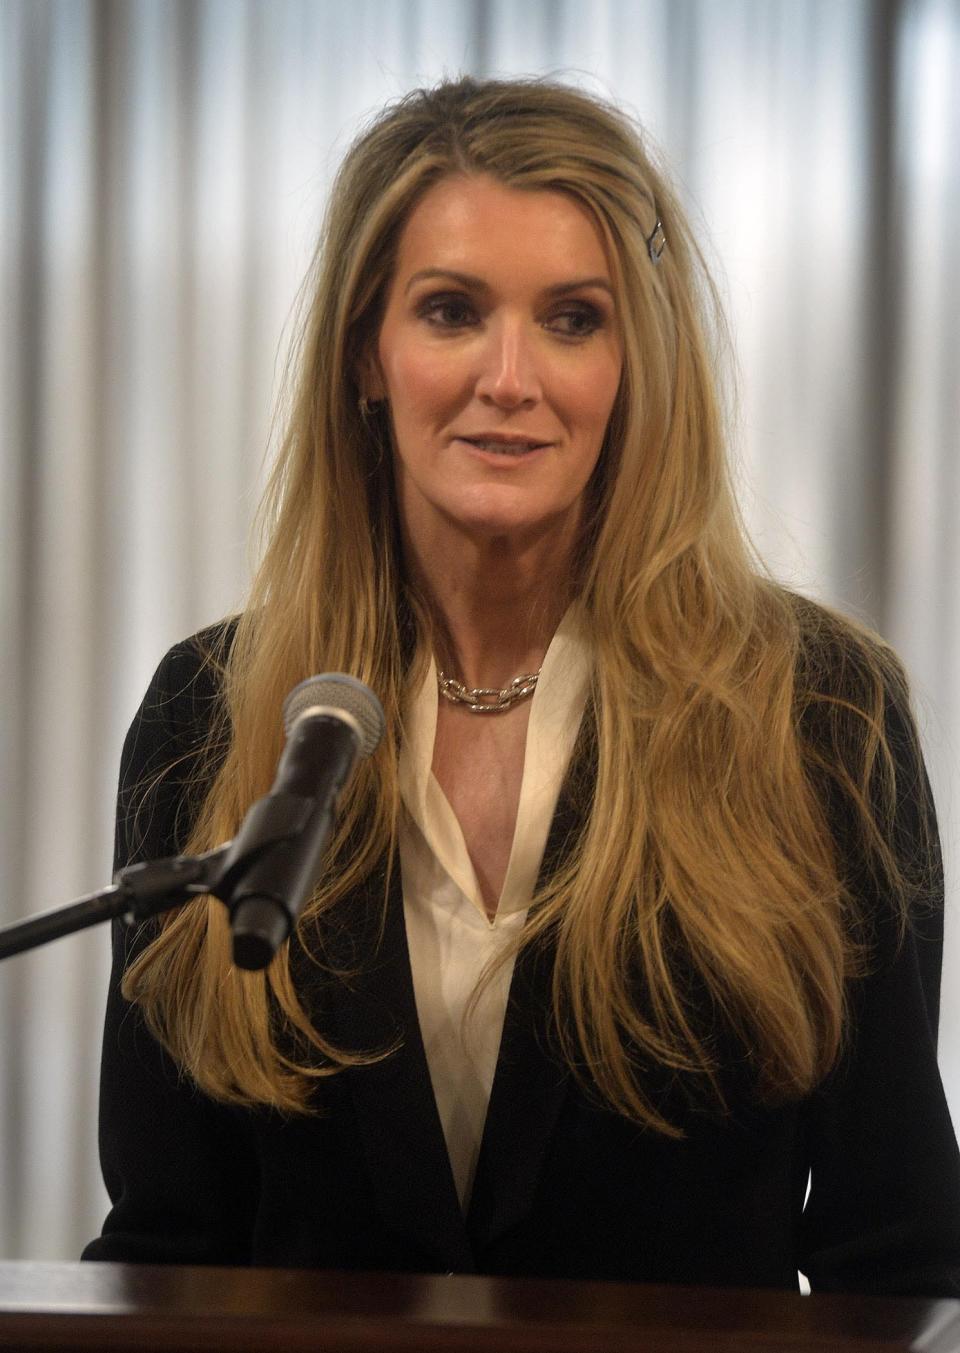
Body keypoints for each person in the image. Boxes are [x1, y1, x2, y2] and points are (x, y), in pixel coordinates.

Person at [83, 76, 960, 1294]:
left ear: (636, 363)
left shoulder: (820, 713)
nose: (511, 377)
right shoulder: (209, 716)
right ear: (365, 357)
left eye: (572, 319)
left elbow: (900, 1251)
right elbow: (167, 1251)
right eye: (450, 311)